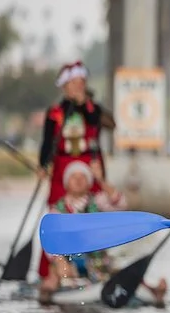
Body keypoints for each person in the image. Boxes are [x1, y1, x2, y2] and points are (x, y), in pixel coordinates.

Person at [37, 159, 167, 306]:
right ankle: (48, 293)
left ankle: (152, 291)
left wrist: (101, 179)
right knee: (53, 274)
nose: (78, 181)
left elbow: (121, 203)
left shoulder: (98, 201)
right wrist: (59, 261)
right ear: (67, 183)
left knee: (118, 272)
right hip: (69, 262)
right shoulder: (57, 210)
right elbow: (51, 239)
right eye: (74, 177)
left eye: (83, 177)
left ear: (89, 183)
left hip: (97, 262)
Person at [36, 61, 116, 280]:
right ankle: (52, 272)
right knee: (57, 217)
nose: (79, 86)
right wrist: (43, 165)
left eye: (82, 82)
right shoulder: (56, 112)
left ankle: (98, 266)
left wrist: (85, 103)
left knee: (95, 212)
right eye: (74, 83)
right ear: (65, 87)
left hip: (90, 167)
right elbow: (47, 141)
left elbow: (106, 123)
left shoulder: (93, 109)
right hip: (63, 169)